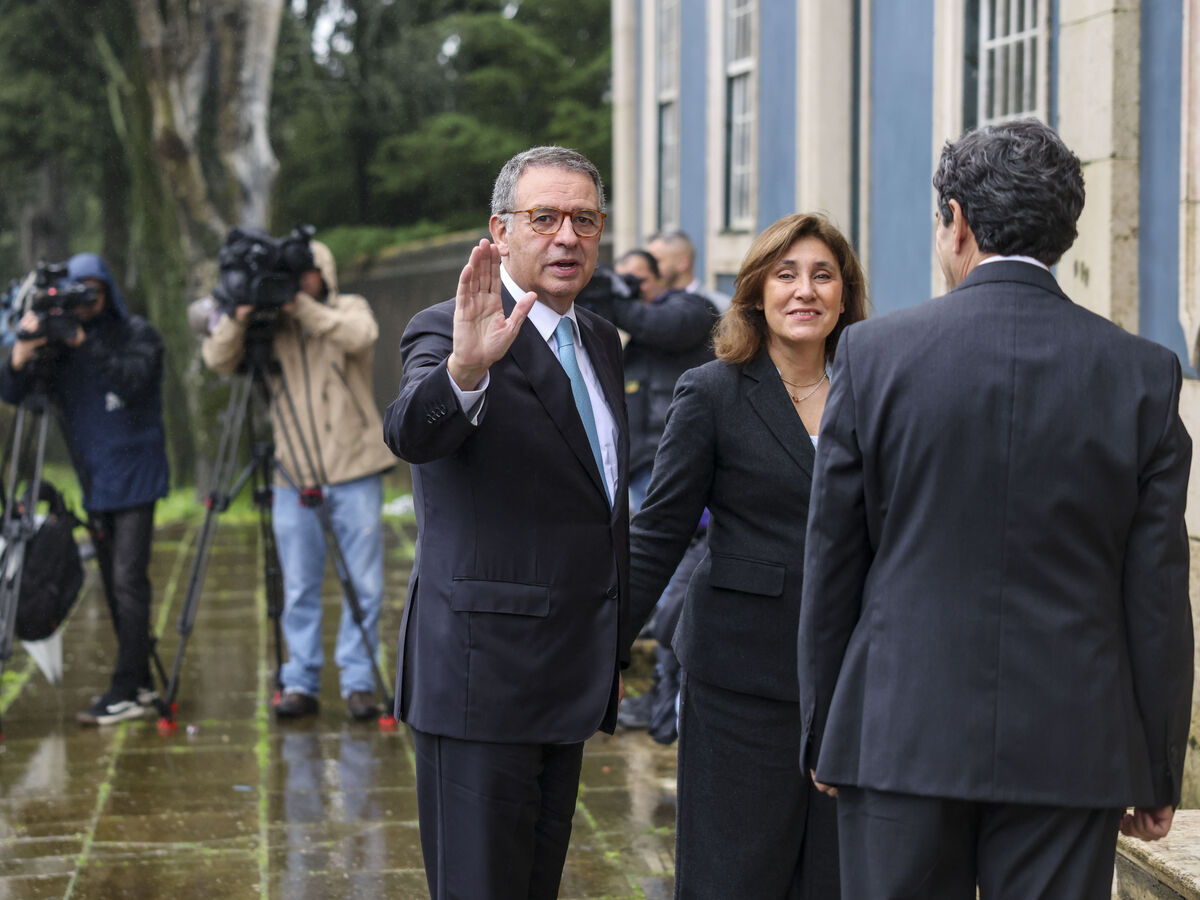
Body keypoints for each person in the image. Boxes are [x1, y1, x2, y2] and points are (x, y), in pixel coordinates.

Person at [798, 118, 1193, 899]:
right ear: (1064, 233)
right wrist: (1156, 762)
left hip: (896, 726)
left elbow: (835, 558)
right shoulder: (1143, 375)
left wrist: (824, 729)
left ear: (957, 222)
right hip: (1072, 740)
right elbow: (1155, 595)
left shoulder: (873, 356)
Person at [383, 145, 629, 900]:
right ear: (500, 231)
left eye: (583, 219)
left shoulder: (598, 338)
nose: (566, 237)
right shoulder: (449, 330)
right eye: (544, 217)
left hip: (567, 675)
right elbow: (411, 433)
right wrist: (465, 371)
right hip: (481, 678)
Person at [629, 213, 867, 898]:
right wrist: (602, 650)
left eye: (823, 275)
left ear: (845, 295)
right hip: (739, 679)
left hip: (849, 684)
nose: (805, 291)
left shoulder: (875, 395)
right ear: (756, 291)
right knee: (735, 875)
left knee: (834, 879)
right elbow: (658, 533)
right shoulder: (712, 391)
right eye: (786, 275)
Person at [201, 239, 395, 722]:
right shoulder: (270, 327)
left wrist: (302, 306)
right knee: (300, 587)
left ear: (322, 273)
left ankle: (358, 684)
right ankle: (300, 682)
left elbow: (361, 337)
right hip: (293, 474)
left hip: (354, 469)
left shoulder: (346, 308)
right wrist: (242, 314)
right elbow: (218, 359)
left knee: (365, 585)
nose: (298, 282)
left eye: (305, 273)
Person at [0, 253, 169, 726]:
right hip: (95, 481)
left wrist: (82, 340)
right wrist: (24, 347)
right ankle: (135, 681)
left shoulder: (137, 333)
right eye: (79, 291)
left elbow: (136, 380)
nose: (86, 300)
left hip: (137, 476)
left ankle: (128, 686)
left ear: (108, 289)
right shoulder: (60, 349)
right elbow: (16, 393)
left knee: (128, 584)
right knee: (117, 588)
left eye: (93, 289)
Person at [607, 248, 716, 739]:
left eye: (637, 279)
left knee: (673, 593)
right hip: (633, 473)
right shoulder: (634, 345)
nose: (628, 288)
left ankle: (665, 701)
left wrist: (614, 293)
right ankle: (648, 690)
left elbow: (664, 326)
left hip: (671, 476)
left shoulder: (691, 312)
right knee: (647, 582)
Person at [647, 229, 731, 313]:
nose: (650, 268)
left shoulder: (721, 306)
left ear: (682, 263)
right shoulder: (648, 303)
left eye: (656, 261)